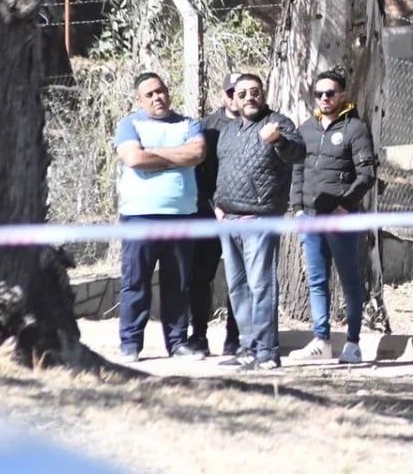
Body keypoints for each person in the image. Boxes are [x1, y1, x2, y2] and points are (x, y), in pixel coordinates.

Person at [112, 73, 206, 363]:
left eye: (161, 91)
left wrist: (153, 155)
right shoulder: (129, 124)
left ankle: (177, 343)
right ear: (139, 100)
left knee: (177, 283)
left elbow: (197, 153)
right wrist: (177, 157)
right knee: (136, 281)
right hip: (139, 216)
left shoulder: (188, 124)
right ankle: (130, 344)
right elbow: (134, 159)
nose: (157, 97)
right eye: (150, 94)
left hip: (180, 216)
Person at [214, 74, 305, 371]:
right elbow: (224, 170)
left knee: (260, 286)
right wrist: (217, 203)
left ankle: (267, 353)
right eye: (242, 94)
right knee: (238, 288)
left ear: (263, 94)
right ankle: (247, 347)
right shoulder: (229, 131)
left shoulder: (278, 123)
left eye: (255, 92)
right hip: (228, 220)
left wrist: (278, 140)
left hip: (259, 219)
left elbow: (298, 153)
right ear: (234, 99)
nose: (249, 97)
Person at [289, 70, 378, 365]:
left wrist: (345, 205)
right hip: (310, 218)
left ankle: (353, 343)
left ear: (342, 94)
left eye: (330, 93)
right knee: (317, 280)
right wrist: (298, 208)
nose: (324, 98)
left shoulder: (355, 129)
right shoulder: (306, 129)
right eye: (319, 94)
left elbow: (367, 174)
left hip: (341, 219)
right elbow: (298, 171)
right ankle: (321, 341)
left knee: (350, 280)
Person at [188, 72, 244, 357]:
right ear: (224, 94)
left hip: (242, 213)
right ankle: (198, 335)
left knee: (239, 277)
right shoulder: (206, 126)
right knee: (200, 275)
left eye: (241, 91)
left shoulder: (259, 123)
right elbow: (196, 172)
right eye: (231, 92)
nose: (236, 97)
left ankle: (235, 337)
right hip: (208, 213)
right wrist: (210, 206)